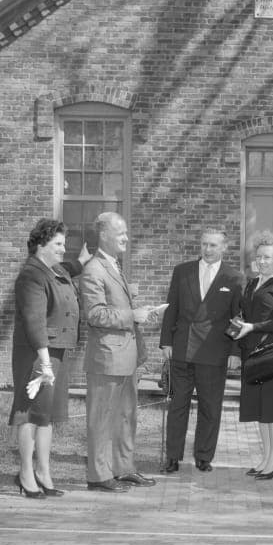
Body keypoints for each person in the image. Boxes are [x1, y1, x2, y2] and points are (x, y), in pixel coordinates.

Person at [80, 211, 158, 493]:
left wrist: (135, 309)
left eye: (126, 232)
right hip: (106, 358)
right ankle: (99, 476)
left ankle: (123, 469)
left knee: (126, 417)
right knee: (102, 419)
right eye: (121, 232)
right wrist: (132, 315)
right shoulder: (93, 269)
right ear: (104, 235)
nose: (126, 237)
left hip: (126, 357)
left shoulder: (113, 265)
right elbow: (95, 314)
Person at [8, 218, 86, 497]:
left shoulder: (53, 269)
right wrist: (44, 362)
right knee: (30, 414)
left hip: (56, 352)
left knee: (47, 415)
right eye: (58, 244)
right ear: (41, 245)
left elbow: (70, 267)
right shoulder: (31, 276)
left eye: (64, 244)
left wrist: (83, 261)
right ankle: (26, 474)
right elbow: (34, 322)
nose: (63, 249)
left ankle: (43, 471)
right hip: (37, 354)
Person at [158, 229, 243, 472]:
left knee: (210, 407)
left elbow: (238, 317)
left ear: (224, 247)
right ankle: (172, 457)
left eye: (213, 245)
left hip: (214, 351)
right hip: (182, 349)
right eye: (204, 244)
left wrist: (235, 352)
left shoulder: (234, 277)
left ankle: (204, 456)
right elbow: (171, 307)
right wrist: (166, 342)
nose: (207, 249)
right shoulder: (182, 271)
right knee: (178, 405)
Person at [232, 231, 273, 481]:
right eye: (258, 256)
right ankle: (267, 458)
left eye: (267, 257)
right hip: (253, 352)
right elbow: (245, 313)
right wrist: (238, 327)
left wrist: (253, 327)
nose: (261, 261)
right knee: (260, 408)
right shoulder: (252, 283)